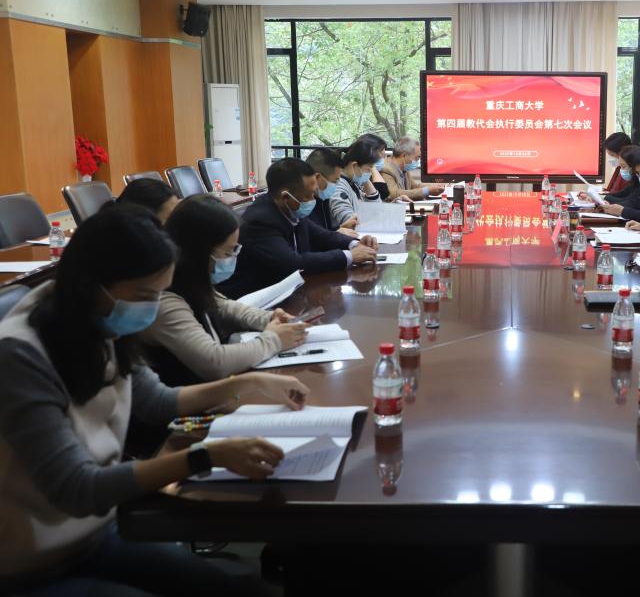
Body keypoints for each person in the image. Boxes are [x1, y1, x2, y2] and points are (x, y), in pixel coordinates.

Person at [0, 205, 308, 595]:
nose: (154, 306)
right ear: (92, 283)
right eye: (146, 295)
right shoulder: (20, 355)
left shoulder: (96, 321)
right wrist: (205, 456)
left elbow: (158, 401)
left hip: (93, 535)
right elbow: (77, 489)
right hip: (30, 564)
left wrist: (250, 384)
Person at [139, 195, 310, 386]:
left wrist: (269, 319)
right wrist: (274, 340)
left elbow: (225, 307)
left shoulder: (191, 281)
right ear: (198, 251)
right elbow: (215, 362)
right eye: (228, 252)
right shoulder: (165, 299)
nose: (232, 258)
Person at [217, 158, 378, 299]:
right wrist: (349, 256)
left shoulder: (289, 208)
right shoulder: (260, 220)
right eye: (308, 195)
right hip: (255, 297)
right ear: (286, 197)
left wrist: (354, 244)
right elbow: (292, 263)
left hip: (288, 290)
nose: (313, 199)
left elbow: (320, 235)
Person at [329, 139, 389, 231]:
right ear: (354, 165)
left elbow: (377, 208)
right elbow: (349, 221)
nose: (370, 173)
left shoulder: (353, 183)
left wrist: (365, 179)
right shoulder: (338, 187)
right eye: (368, 169)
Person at [305, 147, 357, 233]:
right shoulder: (303, 205)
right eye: (334, 181)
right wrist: (337, 233)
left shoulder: (322, 198)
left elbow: (324, 232)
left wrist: (342, 228)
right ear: (317, 177)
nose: (337, 185)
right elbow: (309, 237)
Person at [379, 136, 444, 202]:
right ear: (404, 155)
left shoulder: (404, 167)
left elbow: (414, 186)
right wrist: (427, 191)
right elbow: (394, 194)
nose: (417, 161)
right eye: (416, 157)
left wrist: (434, 186)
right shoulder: (386, 170)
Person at [358, 133, 392, 201]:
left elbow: (381, 197)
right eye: (381, 151)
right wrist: (372, 166)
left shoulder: (370, 174)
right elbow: (382, 194)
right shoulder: (358, 175)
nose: (384, 155)